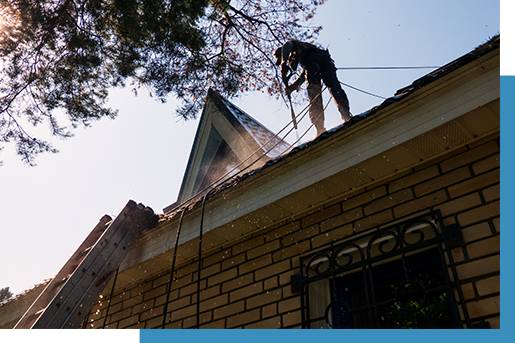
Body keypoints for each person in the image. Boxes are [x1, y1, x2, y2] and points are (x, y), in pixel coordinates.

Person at [274, 40, 351, 136]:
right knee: (328, 90)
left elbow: (288, 45)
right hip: (318, 63)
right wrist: (292, 87)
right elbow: (304, 74)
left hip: (320, 62)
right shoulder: (302, 57)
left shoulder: (291, 46)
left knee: (320, 93)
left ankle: (344, 117)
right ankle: (322, 126)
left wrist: (284, 63)